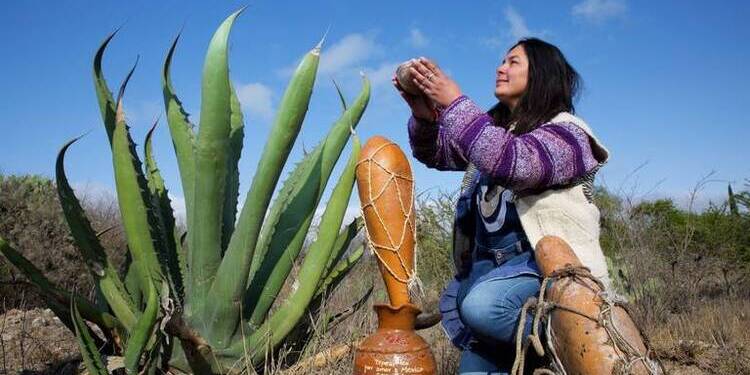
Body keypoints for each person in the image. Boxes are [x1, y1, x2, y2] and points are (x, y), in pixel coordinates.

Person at [393, 38, 611, 374]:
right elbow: (436, 153)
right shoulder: (496, 134)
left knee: (482, 306)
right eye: (502, 61)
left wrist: (453, 101)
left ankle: (570, 337)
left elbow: (516, 164)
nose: (500, 68)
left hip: (544, 274)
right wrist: (425, 116)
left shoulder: (569, 135)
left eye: (513, 62)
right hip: (491, 275)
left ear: (541, 75)